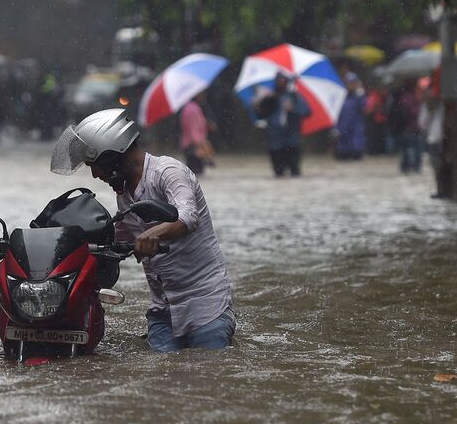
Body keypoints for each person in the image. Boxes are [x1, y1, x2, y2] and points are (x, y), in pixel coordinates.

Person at [50, 108, 235, 352]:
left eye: (95, 165)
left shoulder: (169, 172)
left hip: (207, 308)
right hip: (162, 314)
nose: (95, 175)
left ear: (112, 156)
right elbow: (117, 238)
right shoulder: (124, 194)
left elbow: (189, 217)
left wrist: (153, 233)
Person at [254, 72, 310, 177]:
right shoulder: (269, 97)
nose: (279, 82)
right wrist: (258, 103)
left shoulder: (294, 96)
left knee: (295, 173)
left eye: (282, 80)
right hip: (275, 142)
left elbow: (306, 112)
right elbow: (260, 116)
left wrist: (292, 109)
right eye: (277, 80)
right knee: (278, 173)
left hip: (291, 141)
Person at [179, 91, 213, 176]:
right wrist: (201, 145)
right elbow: (193, 129)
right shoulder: (193, 109)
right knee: (196, 175)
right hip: (193, 146)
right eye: (201, 94)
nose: (203, 96)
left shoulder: (188, 108)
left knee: (191, 175)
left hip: (189, 145)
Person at [333, 73, 366, 160]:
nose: (351, 85)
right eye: (349, 83)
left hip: (355, 131)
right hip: (342, 132)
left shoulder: (359, 96)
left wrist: (361, 94)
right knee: (342, 155)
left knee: (356, 154)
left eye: (353, 83)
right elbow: (335, 114)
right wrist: (335, 128)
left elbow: (365, 109)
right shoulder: (340, 97)